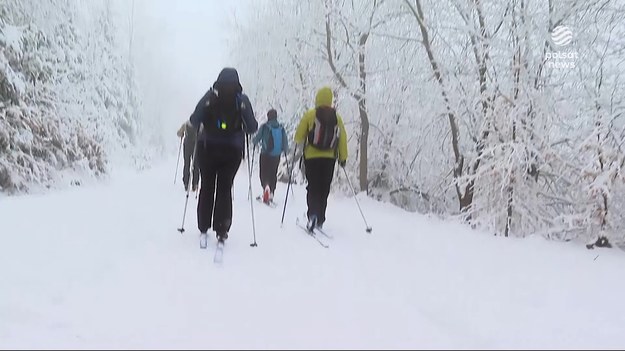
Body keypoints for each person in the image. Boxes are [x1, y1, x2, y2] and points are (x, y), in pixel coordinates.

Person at [188, 67, 258, 244]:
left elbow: (194, 120)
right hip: (232, 150)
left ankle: (203, 226)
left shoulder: (210, 97)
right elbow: (252, 127)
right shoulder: (242, 100)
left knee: (207, 186)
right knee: (225, 188)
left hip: (208, 148)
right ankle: (222, 229)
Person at [294, 86, 348, 231]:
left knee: (313, 187)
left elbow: (298, 136)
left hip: (311, 157)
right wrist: (343, 157)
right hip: (329, 159)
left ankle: (312, 215)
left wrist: (298, 146)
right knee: (324, 188)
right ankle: (320, 218)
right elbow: (342, 138)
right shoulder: (337, 117)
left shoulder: (310, 114)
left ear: (317, 98)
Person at [252, 108, 289, 204]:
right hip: (276, 155)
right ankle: (271, 192)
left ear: (268, 117)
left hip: (265, 154)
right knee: (273, 173)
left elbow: (257, 139)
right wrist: (285, 150)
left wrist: (254, 142)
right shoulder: (281, 128)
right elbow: (285, 142)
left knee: (264, 173)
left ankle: (266, 187)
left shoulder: (265, 127)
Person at [176, 120, 200, 192]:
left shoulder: (186, 124)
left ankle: (186, 182)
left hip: (187, 145)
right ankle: (195, 183)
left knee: (187, 163)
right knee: (196, 165)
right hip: (195, 146)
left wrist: (182, 134)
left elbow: (178, 133)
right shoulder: (199, 124)